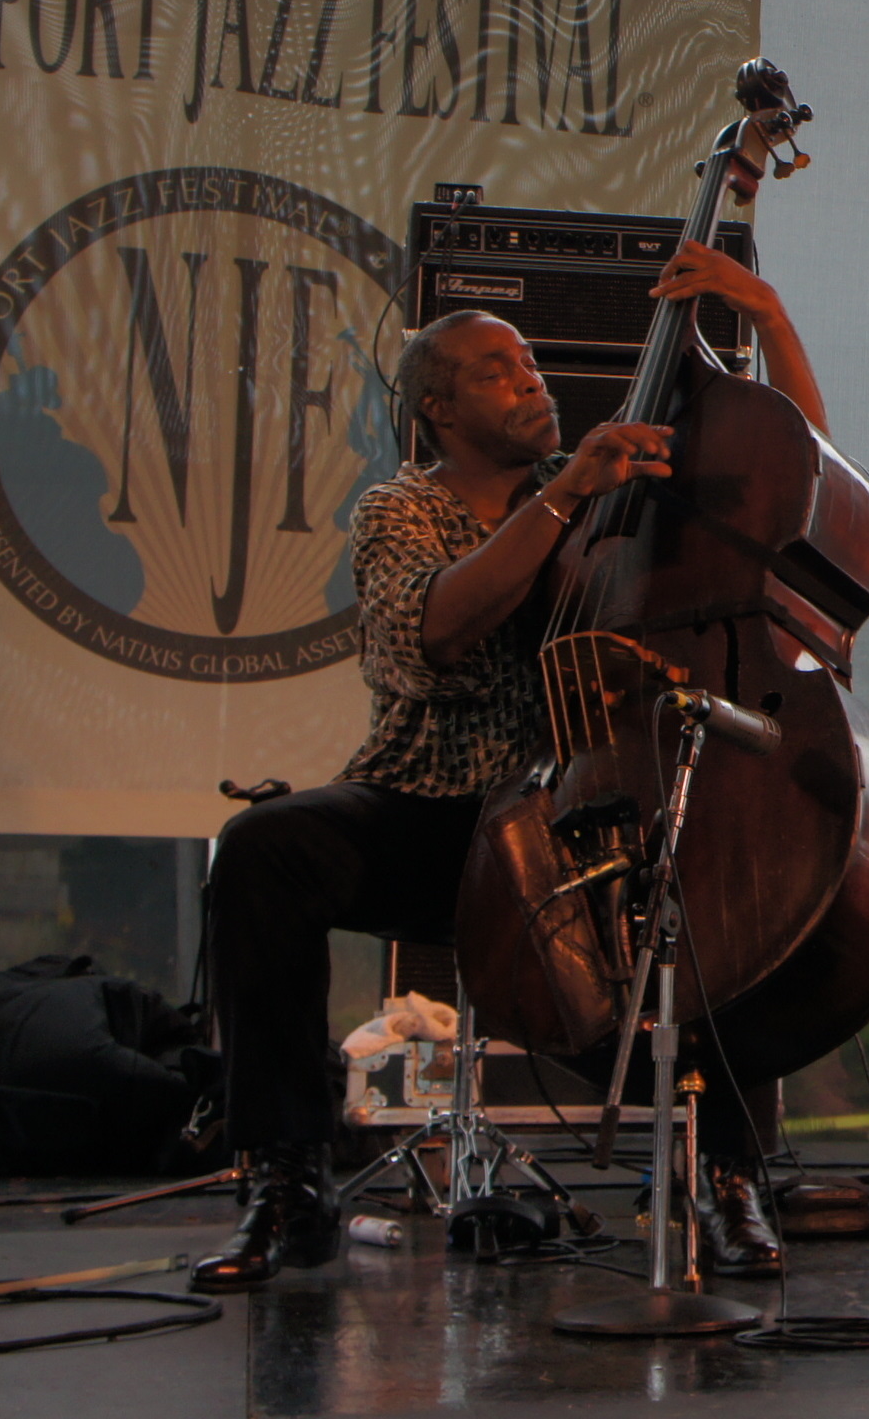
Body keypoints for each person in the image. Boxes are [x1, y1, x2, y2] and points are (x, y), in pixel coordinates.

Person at [191, 241, 822, 1291]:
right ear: (435, 409)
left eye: (531, 364)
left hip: (584, 812)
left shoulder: (611, 497)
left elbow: (798, 474)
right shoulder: (409, 509)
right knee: (264, 849)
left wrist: (767, 313)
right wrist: (567, 494)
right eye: (498, 369)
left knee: (716, 867)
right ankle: (289, 1177)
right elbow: (431, 632)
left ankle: (726, 1178)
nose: (531, 380)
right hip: (436, 815)